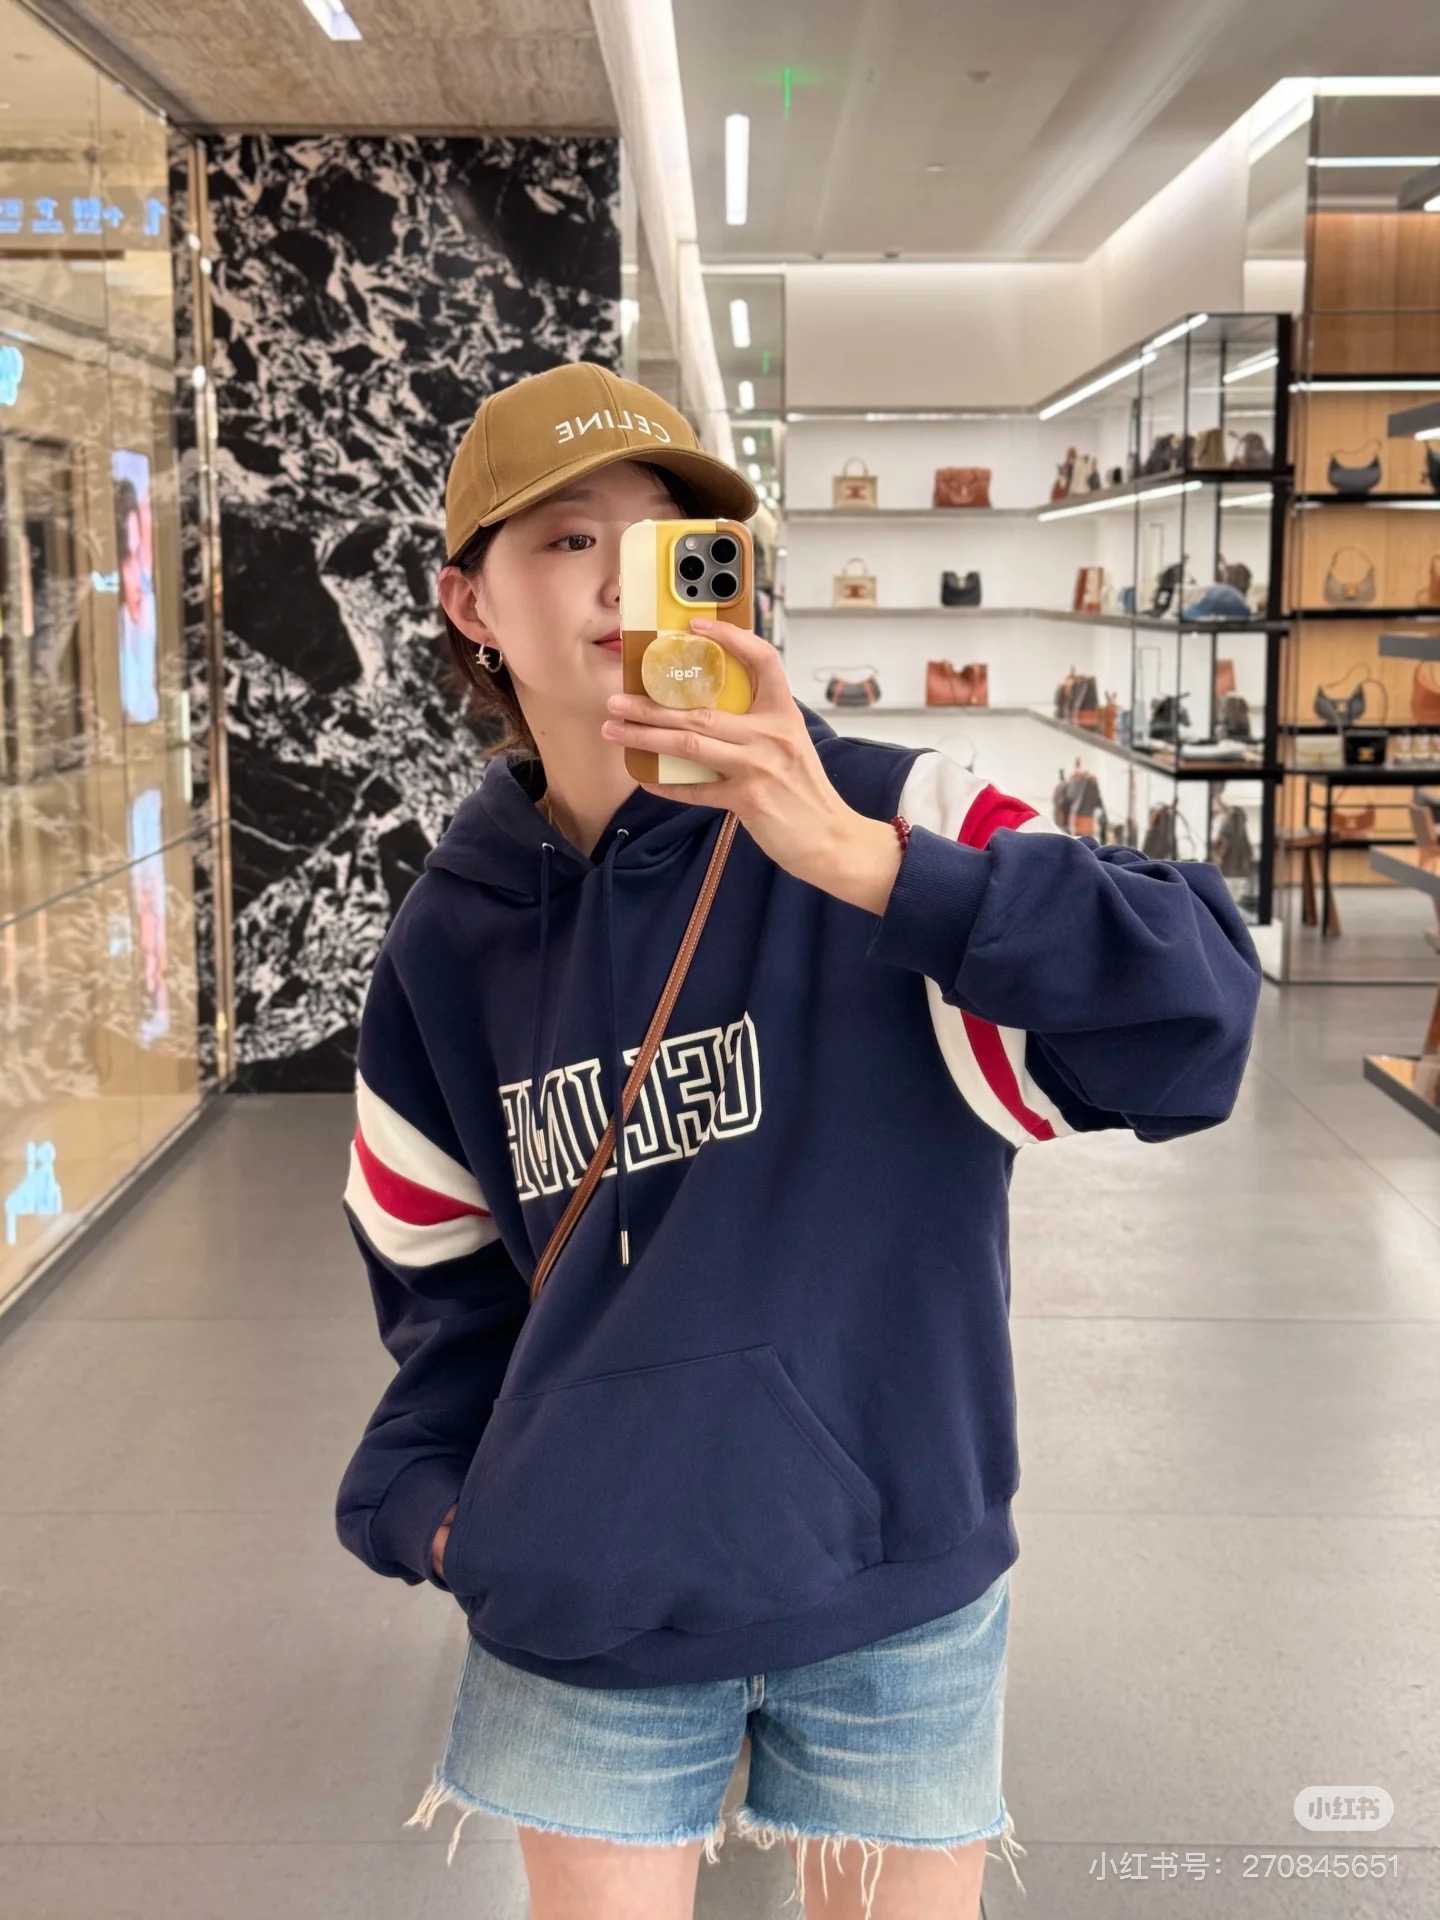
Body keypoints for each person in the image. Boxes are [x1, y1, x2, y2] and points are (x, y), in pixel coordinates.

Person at [335, 362, 1263, 1920]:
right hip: (588, 1606)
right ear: (469, 602)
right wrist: (443, 1510)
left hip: (891, 1590)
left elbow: (1196, 1021)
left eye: (670, 543)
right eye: (569, 540)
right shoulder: (453, 934)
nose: (624, 585)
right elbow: (438, 1272)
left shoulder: (902, 815)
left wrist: (857, 858)